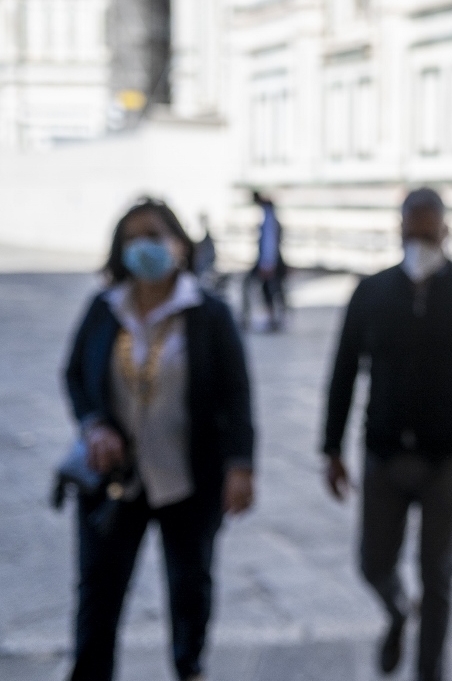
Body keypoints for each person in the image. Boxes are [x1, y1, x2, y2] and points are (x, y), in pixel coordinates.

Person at [321, 187, 452, 680]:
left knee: (439, 572)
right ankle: (395, 609)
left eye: (429, 233)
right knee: (372, 561)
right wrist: (331, 447)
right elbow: (343, 371)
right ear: (400, 230)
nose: (421, 242)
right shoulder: (371, 293)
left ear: (445, 231)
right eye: (413, 232)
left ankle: (429, 671)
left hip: (448, 453)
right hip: (384, 450)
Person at [63, 197, 255, 681]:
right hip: (115, 479)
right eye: (132, 238)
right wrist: (94, 423)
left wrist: (240, 465)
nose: (143, 246)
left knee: (191, 590)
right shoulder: (104, 308)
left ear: (178, 242)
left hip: (188, 480)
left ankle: (188, 668)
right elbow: (74, 374)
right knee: (98, 596)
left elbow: (236, 393)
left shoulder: (208, 313)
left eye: (154, 234)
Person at [242, 191, 287, 331]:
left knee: (269, 289)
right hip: (270, 261)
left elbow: (269, 242)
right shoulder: (270, 214)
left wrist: (267, 263)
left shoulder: (268, 216)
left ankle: (273, 318)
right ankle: (274, 318)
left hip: (269, 262)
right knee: (272, 289)